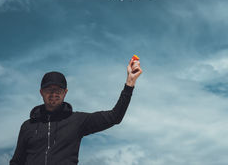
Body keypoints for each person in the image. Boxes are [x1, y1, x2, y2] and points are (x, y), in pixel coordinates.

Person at [9, 57, 142, 165]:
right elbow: (17, 161)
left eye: (58, 90)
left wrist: (129, 84)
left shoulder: (77, 121)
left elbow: (114, 117)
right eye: (49, 90)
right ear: (41, 92)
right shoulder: (28, 126)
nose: (53, 94)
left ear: (65, 93)